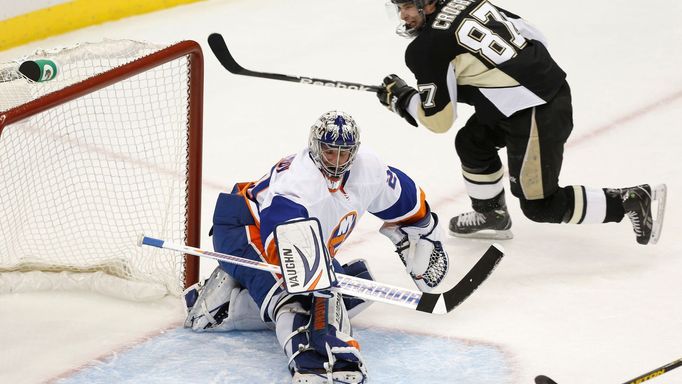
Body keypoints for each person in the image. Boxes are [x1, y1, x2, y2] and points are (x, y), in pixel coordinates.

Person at [182, 111, 450, 384]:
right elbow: (288, 253)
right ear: (315, 146)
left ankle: (227, 304)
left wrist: (425, 231)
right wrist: (318, 303)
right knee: (296, 298)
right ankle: (310, 360)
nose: (336, 160)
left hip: (298, 239)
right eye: (329, 151)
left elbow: (407, 201)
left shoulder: (368, 169)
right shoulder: (298, 184)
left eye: (343, 154)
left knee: (352, 293)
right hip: (245, 229)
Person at [377, 0, 666, 244]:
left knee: (540, 205)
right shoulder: (467, 2)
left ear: (428, 3)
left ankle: (628, 200)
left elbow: (439, 121)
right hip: (534, 97)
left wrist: (403, 100)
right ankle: (492, 214)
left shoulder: (426, 48)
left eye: (407, 6)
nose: (403, 15)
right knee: (472, 143)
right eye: (399, 8)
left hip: (536, 113)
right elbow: (534, 36)